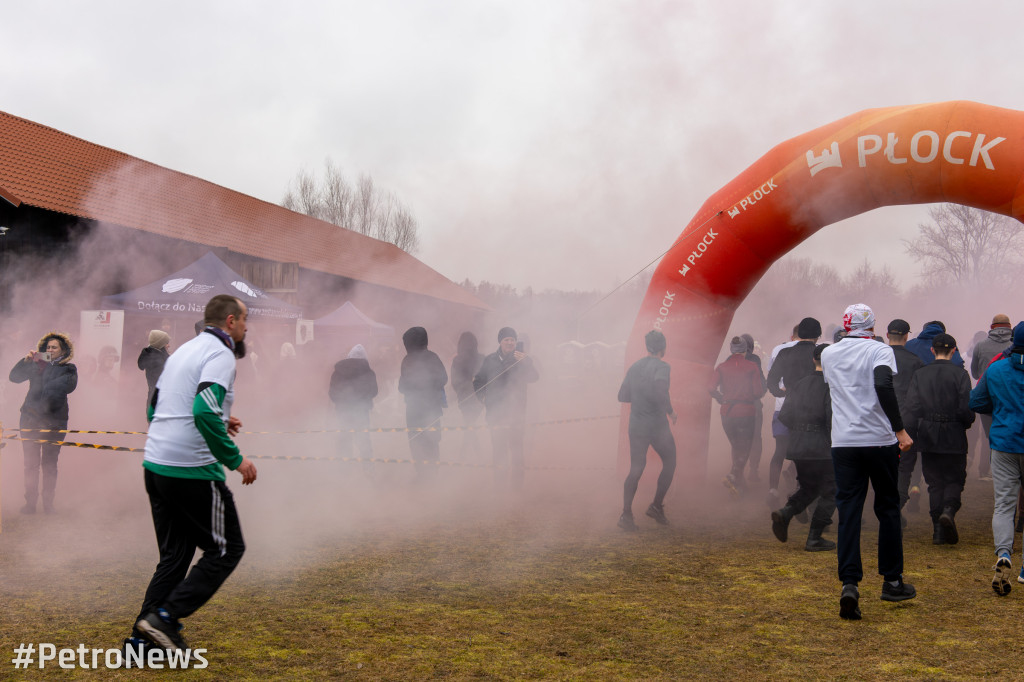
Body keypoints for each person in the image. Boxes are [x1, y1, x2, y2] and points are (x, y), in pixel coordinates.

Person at [129, 295, 258, 652]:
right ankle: (165, 619)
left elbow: (156, 406)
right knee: (227, 549)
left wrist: (218, 417)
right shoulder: (220, 353)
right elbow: (203, 410)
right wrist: (235, 459)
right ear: (230, 321)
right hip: (191, 470)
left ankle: (142, 643)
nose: (248, 327)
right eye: (245, 319)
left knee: (176, 555)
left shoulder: (183, 351)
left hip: (156, 464)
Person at [821, 303, 915, 621]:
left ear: (846, 325)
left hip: (844, 443)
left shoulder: (829, 354)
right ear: (874, 326)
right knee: (887, 509)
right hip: (879, 441)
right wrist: (900, 430)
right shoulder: (879, 351)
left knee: (848, 512)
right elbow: (883, 384)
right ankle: (892, 581)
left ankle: (849, 584)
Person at [903, 333, 975, 545]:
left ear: (933, 351)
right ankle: (949, 511)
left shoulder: (920, 374)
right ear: (954, 351)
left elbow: (912, 407)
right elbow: (966, 408)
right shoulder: (961, 375)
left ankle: (937, 530)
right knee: (954, 478)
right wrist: (966, 422)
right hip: (953, 432)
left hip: (928, 433)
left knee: (934, 483)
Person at [969, 322, 1024, 596]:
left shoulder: (997, 368)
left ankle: (1004, 553)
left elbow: (976, 402)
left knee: (1004, 504)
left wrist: (1000, 407)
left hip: (1004, 443)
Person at [771, 343, 837, 551]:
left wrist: (800, 430)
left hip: (799, 445)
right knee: (832, 491)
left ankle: (786, 513)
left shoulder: (798, 384)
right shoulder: (831, 386)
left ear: (813, 359)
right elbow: (830, 419)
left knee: (809, 487)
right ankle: (814, 537)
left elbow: (784, 415)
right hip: (821, 446)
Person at [8, 332, 78, 514]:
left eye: (54, 347)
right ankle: (30, 504)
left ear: (63, 350)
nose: (50, 350)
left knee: (49, 464)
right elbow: (14, 378)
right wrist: (26, 362)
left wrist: (44, 403)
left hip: (54, 422)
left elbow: (67, 387)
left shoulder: (69, 368)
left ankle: (48, 504)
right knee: (30, 464)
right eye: (47, 347)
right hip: (30, 418)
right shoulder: (36, 364)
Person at [617, 330, 677, 530]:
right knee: (670, 461)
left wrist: (640, 395)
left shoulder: (635, 367)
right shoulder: (662, 366)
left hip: (637, 425)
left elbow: (622, 396)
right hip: (656, 426)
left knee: (636, 468)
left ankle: (626, 515)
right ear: (663, 347)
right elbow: (661, 389)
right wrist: (670, 411)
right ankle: (656, 506)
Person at [473, 327, 539, 490]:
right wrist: (481, 396)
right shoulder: (490, 360)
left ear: (516, 342)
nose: (510, 342)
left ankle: (517, 488)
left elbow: (534, 377)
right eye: (506, 340)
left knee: (517, 452)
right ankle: (499, 487)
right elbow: (479, 380)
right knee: (499, 452)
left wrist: (526, 361)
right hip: (495, 414)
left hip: (516, 414)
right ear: (500, 342)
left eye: (512, 339)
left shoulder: (522, 359)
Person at [766, 317, 822, 507]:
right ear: (817, 336)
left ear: (799, 334)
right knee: (809, 454)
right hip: (814, 410)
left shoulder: (785, 353)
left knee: (780, 451)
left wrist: (780, 393)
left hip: (788, 408)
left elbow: (771, 381)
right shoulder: (820, 354)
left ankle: (773, 491)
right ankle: (801, 492)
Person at [710, 336, 766, 495]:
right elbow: (757, 391)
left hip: (726, 413)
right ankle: (733, 474)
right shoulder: (752, 365)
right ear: (745, 349)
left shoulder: (722, 366)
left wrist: (721, 398)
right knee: (746, 447)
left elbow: (710, 387)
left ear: (731, 349)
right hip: (746, 412)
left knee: (736, 446)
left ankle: (740, 487)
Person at [887, 319, 926, 523]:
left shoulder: (877, 357)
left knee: (883, 464)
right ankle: (896, 507)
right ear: (906, 336)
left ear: (887, 336)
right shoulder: (915, 361)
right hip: (907, 419)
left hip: (880, 419)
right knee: (905, 466)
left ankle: (889, 506)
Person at [398, 327, 448, 480]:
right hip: (431, 407)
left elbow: (402, 387)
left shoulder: (407, 360)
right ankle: (431, 475)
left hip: (414, 409)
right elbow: (444, 379)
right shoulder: (433, 357)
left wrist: (417, 386)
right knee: (431, 442)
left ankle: (423, 475)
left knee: (416, 442)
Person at [970, 314, 1013, 481]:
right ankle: (1008, 473)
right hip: (1010, 398)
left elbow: (974, 372)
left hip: (987, 397)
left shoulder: (980, 346)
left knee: (989, 436)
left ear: (992, 327)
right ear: (1009, 326)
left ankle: (988, 470)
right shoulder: (1014, 345)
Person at [329, 344, 379, 469]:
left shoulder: (338, 371)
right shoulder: (369, 372)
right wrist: (363, 400)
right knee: (364, 440)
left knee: (344, 439)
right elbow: (374, 391)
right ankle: (368, 469)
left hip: (342, 412)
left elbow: (332, 393)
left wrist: (341, 402)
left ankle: (344, 470)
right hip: (362, 412)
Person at [450, 332, 485, 460]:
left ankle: (467, 455)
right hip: (480, 399)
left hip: (464, 398)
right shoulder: (482, 358)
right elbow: (487, 378)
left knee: (469, 425)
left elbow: (454, 382)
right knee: (471, 426)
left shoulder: (457, 360)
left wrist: (461, 391)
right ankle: (473, 455)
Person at [740, 333, 766, 482]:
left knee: (739, 439)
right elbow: (762, 384)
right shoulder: (755, 359)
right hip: (753, 405)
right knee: (756, 438)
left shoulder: (730, 360)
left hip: (733, 407)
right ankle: (753, 470)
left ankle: (738, 471)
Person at [137, 330, 171, 405]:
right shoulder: (156, 361)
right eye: (166, 343)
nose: (169, 345)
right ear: (160, 344)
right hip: (158, 402)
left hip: (155, 400)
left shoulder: (156, 356)